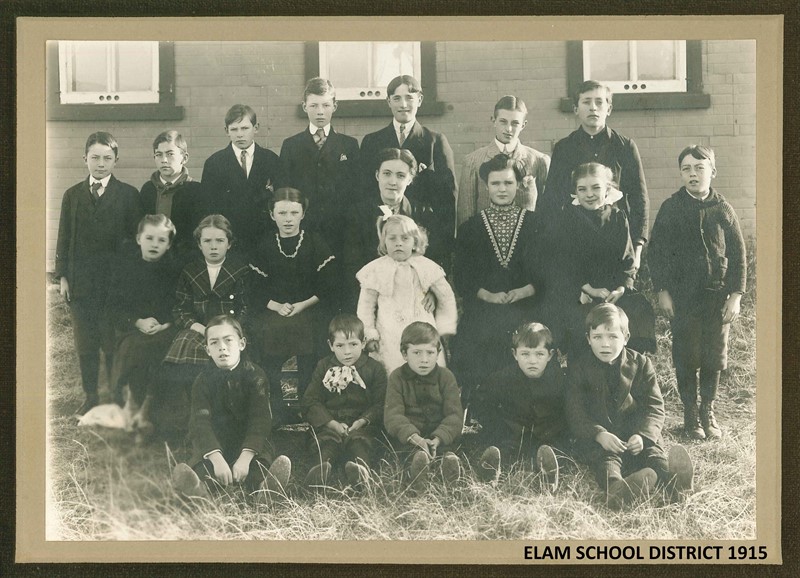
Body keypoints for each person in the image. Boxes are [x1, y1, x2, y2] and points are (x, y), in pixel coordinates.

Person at [647, 145, 746, 440]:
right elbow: (656, 253)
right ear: (681, 173)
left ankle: (708, 411)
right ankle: (690, 414)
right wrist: (662, 290)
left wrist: (736, 295)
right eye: (687, 169)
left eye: (699, 168)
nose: (693, 174)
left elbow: (739, 255)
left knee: (714, 356)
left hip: (717, 298)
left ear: (712, 172)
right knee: (686, 355)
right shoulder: (671, 208)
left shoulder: (723, 209)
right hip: (684, 299)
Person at [567, 304, 694, 510]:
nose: (605, 344)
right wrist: (599, 434)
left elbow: (654, 406)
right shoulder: (579, 368)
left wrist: (643, 436)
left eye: (612, 336)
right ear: (588, 339)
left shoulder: (641, 363)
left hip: (636, 433)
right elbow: (575, 411)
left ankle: (676, 484)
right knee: (606, 460)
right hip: (602, 438)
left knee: (653, 455)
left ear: (626, 337)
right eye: (597, 337)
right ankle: (617, 489)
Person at [55, 131, 144, 415]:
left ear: (116, 160)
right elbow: (64, 237)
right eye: (95, 157)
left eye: (107, 158)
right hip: (81, 284)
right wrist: (63, 277)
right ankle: (91, 396)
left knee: (112, 342)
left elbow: (135, 244)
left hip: (113, 286)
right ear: (85, 159)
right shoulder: (72, 195)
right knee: (86, 343)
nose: (101, 164)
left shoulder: (128, 195)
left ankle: (116, 396)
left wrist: (129, 281)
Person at [453, 154, 542, 409]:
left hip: (525, 306)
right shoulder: (471, 228)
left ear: (518, 185)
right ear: (486, 186)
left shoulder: (535, 224)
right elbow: (463, 274)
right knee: (477, 336)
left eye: (508, 183)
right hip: (484, 307)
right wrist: (487, 295)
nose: (502, 189)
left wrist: (525, 290)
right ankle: (482, 405)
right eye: (495, 183)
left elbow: (546, 268)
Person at [171, 315, 292, 500]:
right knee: (204, 466)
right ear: (208, 350)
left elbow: (260, 420)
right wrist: (217, 459)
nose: (222, 347)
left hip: (248, 441)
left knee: (258, 464)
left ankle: (264, 489)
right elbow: (200, 423)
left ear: (241, 344)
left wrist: (245, 458)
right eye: (214, 343)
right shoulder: (202, 381)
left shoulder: (256, 376)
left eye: (228, 340)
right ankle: (199, 492)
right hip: (214, 442)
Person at [247, 188, 338, 426]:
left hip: (308, 308)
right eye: (282, 213)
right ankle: (278, 408)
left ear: (303, 214)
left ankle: (308, 406)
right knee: (268, 339)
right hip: (274, 310)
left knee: (311, 344)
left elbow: (328, 284)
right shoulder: (265, 245)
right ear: (272, 215)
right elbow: (255, 287)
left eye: (294, 213)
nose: (288, 219)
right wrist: (277, 306)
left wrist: (302, 305)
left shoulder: (314, 242)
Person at [545, 162, 655, 357]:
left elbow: (627, 259)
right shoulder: (566, 219)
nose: (589, 194)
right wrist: (587, 289)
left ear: (607, 189)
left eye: (596, 188)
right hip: (579, 288)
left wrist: (621, 288)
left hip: (613, 289)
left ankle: (629, 361)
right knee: (575, 317)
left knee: (638, 309)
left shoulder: (618, 217)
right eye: (582, 189)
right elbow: (563, 262)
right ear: (575, 192)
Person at [540, 80, 649, 271]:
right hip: (575, 241)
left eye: (599, 102)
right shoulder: (564, 148)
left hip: (616, 240)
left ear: (609, 109)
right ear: (576, 109)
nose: (593, 108)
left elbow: (639, 198)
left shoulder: (624, 147)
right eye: (586, 102)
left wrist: (637, 249)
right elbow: (552, 199)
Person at [161, 214, 250, 438]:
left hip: (229, 329)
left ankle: (222, 420)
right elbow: (180, 308)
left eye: (219, 241)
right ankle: (190, 420)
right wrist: (197, 326)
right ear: (199, 244)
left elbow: (246, 307)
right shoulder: (190, 271)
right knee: (182, 364)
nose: (213, 246)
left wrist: (231, 329)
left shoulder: (241, 270)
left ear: (229, 243)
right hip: (198, 329)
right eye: (207, 241)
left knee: (226, 356)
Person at [359, 75, 456, 264]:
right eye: (396, 98)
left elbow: (447, 199)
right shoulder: (372, 141)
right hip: (379, 236)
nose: (403, 104)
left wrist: (442, 249)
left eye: (409, 98)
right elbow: (364, 191)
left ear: (419, 100)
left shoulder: (435, 141)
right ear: (388, 102)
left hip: (421, 236)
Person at [344, 148, 452, 309]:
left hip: (416, 298)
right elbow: (352, 263)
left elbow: (438, 256)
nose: (392, 182)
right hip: (374, 297)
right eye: (387, 174)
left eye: (400, 175)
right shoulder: (358, 214)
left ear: (410, 179)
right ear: (377, 176)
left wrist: (432, 291)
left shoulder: (423, 213)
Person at [105, 215, 182, 440]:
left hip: (165, 328)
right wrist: (138, 322)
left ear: (169, 245)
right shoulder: (125, 268)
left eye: (161, 240)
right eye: (149, 238)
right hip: (132, 328)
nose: (154, 244)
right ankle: (133, 403)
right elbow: (113, 307)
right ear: (139, 239)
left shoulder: (174, 270)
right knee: (135, 349)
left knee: (161, 351)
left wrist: (166, 323)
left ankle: (147, 408)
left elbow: (180, 303)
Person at [356, 215, 457, 375]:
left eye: (405, 238)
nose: (398, 243)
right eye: (392, 238)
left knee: (425, 364)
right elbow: (365, 306)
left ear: (415, 242)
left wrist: (444, 326)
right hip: (389, 330)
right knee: (391, 368)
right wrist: (370, 334)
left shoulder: (426, 266)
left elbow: (446, 295)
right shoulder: (376, 269)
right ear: (384, 242)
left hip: (422, 327)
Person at [471, 322, 567, 490]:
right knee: (501, 449)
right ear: (515, 354)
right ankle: (489, 473)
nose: (532, 361)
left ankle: (548, 478)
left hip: (545, 435)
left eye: (539, 354)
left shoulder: (559, 380)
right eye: (525, 354)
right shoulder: (502, 378)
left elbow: (565, 412)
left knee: (552, 451)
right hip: (512, 434)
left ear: (550, 355)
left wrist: (554, 429)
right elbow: (481, 404)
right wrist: (498, 427)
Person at [300, 315, 388, 487]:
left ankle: (360, 472)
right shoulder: (323, 366)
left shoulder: (375, 369)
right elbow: (310, 401)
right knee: (326, 443)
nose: (347, 352)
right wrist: (331, 423)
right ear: (331, 345)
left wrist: (363, 421)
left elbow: (380, 403)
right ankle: (320, 471)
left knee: (360, 444)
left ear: (363, 343)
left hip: (362, 426)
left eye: (353, 344)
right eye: (340, 345)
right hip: (330, 423)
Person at [279, 77, 360, 260]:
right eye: (314, 105)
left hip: (340, 229)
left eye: (326, 105)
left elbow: (356, 190)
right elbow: (285, 189)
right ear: (304, 106)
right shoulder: (291, 145)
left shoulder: (349, 145)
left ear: (335, 106)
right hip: (304, 229)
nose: (320, 111)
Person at [383, 322, 464, 493]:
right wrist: (415, 438)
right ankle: (418, 474)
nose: (424, 360)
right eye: (417, 353)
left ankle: (448, 470)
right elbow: (393, 415)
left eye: (430, 353)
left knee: (448, 452)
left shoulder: (446, 377)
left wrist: (438, 438)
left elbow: (454, 415)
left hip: (439, 437)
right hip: (411, 439)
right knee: (410, 454)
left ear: (438, 353)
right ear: (404, 354)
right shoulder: (397, 378)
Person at [201, 104, 285, 258]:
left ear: (256, 128)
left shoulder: (271, 160)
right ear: (226, 131)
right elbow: (209, 208)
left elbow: (280, 202)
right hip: (230, 241)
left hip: (265, 239)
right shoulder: (214, 163)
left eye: (245, 128)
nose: (240, 134)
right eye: (234, 129)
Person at [456, 95, 550, 226]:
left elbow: (545, 213)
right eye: (503, 122)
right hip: (484, 236)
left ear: (523, 125)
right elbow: (466, 216)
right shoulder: (473, 161)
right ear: (493, 120)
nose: (508, 129)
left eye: (515, 123)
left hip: (527, 236)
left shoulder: (538, 161)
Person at [139, 130, 205, 262]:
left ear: (184, 158)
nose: (164, 160)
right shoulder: (148, 189)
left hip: (185, 262)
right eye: (159, 155)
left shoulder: (196, 191)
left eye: (170, 154)